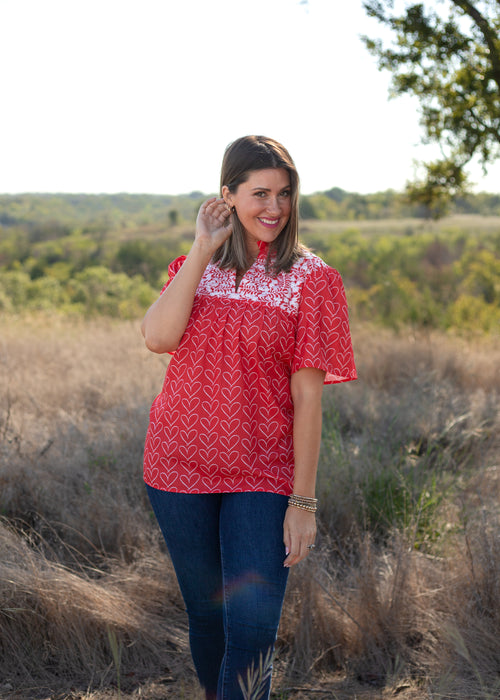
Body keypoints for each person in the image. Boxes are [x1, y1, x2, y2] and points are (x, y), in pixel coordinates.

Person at [141, 135, 356, 699]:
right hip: (178, 466)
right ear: (227, 196)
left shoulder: (312, 280)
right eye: (259, 193)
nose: (274, 208)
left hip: (262, 473)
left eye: (284, 194)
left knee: (253, 632)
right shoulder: (199, 265)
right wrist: (200, 248)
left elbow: (309, 400)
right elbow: (158, 336)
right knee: (208, 619)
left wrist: (303, 501)